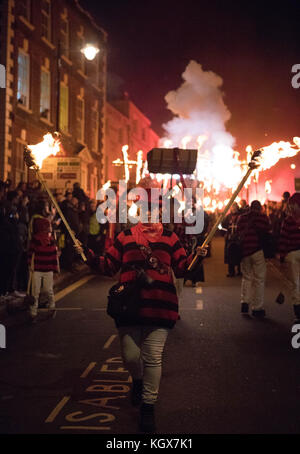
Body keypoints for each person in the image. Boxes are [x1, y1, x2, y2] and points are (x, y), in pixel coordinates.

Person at [76, 183, 207, 433]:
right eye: (144, 210)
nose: (148, 215)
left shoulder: (170, 238)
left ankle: (148, 406)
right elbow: (108, 265)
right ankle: (137, 380)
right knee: (131, 356)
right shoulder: (125, 237)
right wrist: (88, 256)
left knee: (152, 356)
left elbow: (181, 268)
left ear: (159, 213)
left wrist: (196, 255)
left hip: (161, 307)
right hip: (129, 308)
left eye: (153, 211)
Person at [237, 200, 271, 317]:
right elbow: (267, 232)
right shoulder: (263, 218)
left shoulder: (241, 218)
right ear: (260, 208)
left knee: (247, 277)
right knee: (259, 279)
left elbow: (238, 232)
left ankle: (244, 304)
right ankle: (257, 308)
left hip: (245, 251)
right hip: (258, 251)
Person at [27, 200, 59, 322]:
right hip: (37, 269)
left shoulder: (51, 241)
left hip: (48, 269)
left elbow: (54, 256)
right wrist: (30, 264)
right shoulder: (35, 239)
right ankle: (33, 313)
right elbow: (31, 253)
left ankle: (52, 308)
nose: (48, 229)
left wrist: (55, 269)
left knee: (48, 290)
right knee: (35, 291)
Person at [279, 193, 300, 323]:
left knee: (295, 284)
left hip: (292, 254)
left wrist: (282, 256)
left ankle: (298, 312)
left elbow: (284, 239)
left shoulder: (288, 220)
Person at [222, 202, 241, 277]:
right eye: (232, 207)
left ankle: (240, 270)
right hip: (229, 238)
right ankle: (231, 271)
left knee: (239, 254)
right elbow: (223, 226)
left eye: (235, 207)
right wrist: (225, 234)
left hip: (238, 238)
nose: (233, 208)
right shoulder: (228, 217)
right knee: (229, 254)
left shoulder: (240, 216)